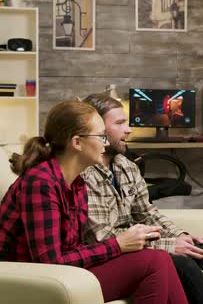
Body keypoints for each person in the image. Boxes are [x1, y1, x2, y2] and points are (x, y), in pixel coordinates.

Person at [81, 94, 203, 304]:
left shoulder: (126, 166)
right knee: (181, 263)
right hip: (118, 254)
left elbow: (147, 213)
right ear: (97, 129)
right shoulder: (85, 174)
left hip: (140, 243)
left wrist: (181, 236)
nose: (129, 129)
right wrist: (169, 244)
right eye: (119, 123)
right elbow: (103, 238)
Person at [0, 100, 188, 304]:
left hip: (60, 274)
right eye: (101, 136)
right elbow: (50, 262)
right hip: (26, 280)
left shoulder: (77, 183)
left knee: (160, 259)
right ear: (77, 142)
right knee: (154, 261)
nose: (106, 143)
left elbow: (73, 249)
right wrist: (118, 245)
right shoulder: (41, 183)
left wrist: (126, 244)